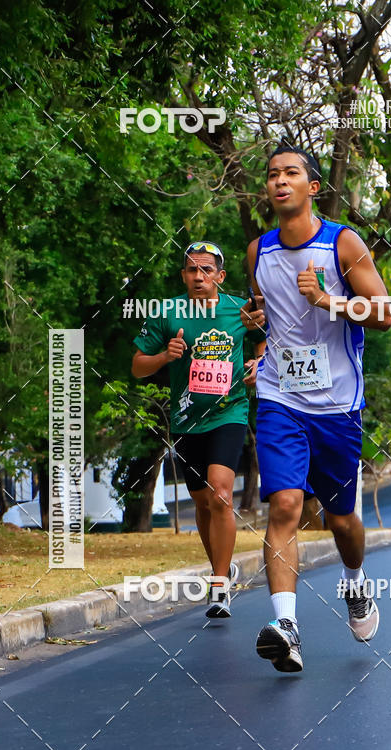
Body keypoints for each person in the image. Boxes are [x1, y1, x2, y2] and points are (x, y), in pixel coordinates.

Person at [241, 144, 391, 673]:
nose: (280, 181)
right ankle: (287, 626)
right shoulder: (258, 252)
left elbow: (384, 313)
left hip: (336, 404)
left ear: (312, 187)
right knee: (283, 506)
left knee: (340, 517)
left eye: (291, 173)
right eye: (272, 175)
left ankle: (355, 585)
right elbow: (269, 316)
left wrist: (330, 300)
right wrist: (258, 342)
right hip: (281, 396)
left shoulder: (343, 244)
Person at [132, 240, 265, 618]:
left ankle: (220, 585)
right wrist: (163, 357)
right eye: (192, 269)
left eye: (207, 270)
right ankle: (218, 569)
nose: (199, 276)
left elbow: (262, 344)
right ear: (183, 276)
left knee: (221, 495)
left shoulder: (240, 311)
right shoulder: (167, 312)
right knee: (204, 503)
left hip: (230, 412)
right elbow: (137, 365)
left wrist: (257, 365)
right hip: (187, 418)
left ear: (220, 277)